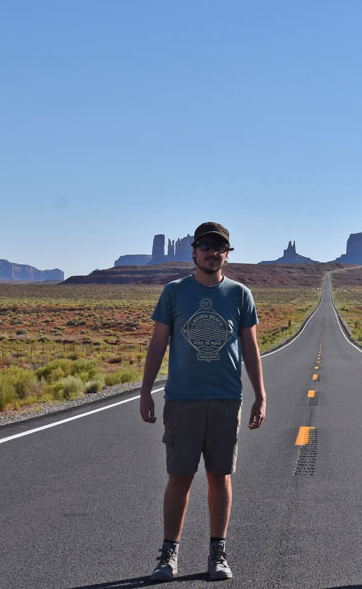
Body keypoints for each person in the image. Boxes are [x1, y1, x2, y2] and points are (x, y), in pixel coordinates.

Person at [139, 221, 267, 582]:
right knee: (179, 477)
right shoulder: (174, 292)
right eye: (206, 246)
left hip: (226, 398)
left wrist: (261, 395)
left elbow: (251, 348)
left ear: (227, 253)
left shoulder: (240, 294)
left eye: (220, 247)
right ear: (193, 251)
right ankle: (168, 555)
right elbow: (157, 344)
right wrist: (146, 390)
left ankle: (217, 552)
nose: (213, 252)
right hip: (182, 400)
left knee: (219, 476)